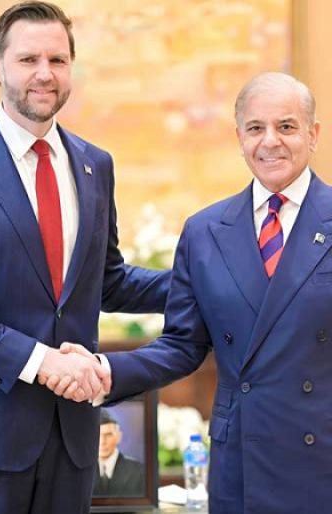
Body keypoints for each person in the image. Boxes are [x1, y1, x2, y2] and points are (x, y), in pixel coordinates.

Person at [0, 2, 170, 513]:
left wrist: (206, 280)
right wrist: (39, 361)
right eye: (28, 59)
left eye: (57, 60)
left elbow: (106, 281)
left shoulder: (95, 165)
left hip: (72, 437)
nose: (45, 74)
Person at [86, 72, 330, 513]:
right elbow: (182, 346)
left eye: (286, 127)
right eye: (255, 128)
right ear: (239, 138)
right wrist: (105, 370)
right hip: (241, 463)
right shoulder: (205, 231)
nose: (270, 141)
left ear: (312, 135)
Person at [93, 409, 144, 497]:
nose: (102, 442)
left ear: (118, 437)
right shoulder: (82, 471)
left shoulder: (139, 471)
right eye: (97, 435)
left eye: (108, 435)